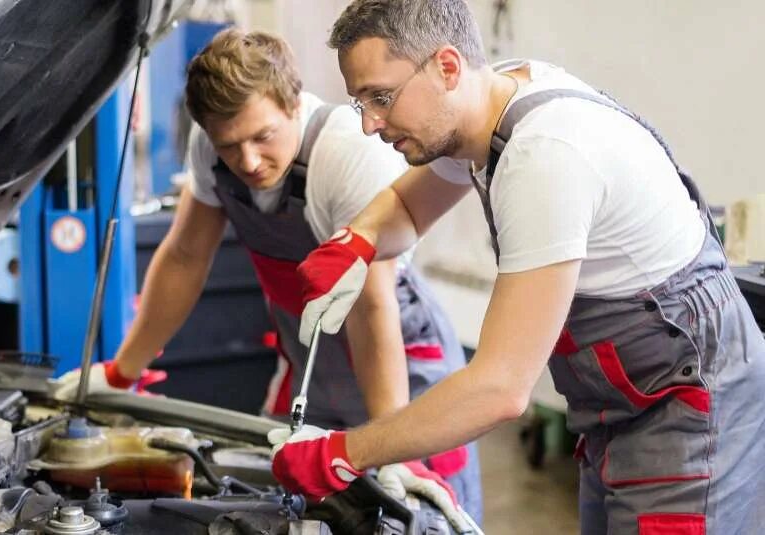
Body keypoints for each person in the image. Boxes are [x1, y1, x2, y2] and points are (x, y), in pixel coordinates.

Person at [268, 1, 765, 533]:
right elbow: (411, 209)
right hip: (618, 413)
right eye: (360, 101)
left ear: (448, 66)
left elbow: (499, 388)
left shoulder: (543, 157)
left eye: (381, 98)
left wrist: (344, 452)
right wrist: (356, 240)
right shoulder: (491, 101)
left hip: (690, 416)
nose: (369, 125)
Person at [57, 28, 482, 519]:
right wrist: (122, 372)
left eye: (263, 137)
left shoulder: (345, 156)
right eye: (230, 145)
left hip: (399, 362)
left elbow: (370, 305)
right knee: (278, 506)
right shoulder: (213, 147)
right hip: (310, 359)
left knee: (418, 516)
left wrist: (394, 445)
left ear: (293, 103)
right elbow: (185, 258)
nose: (249, 161)